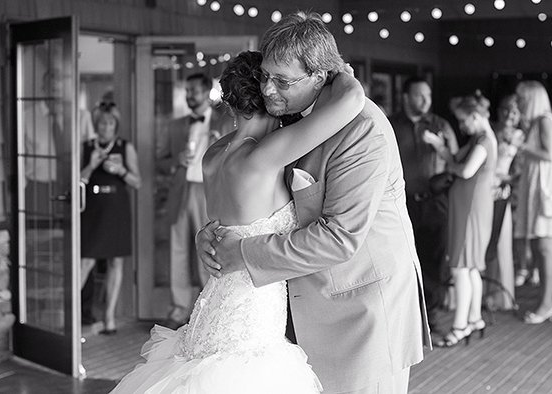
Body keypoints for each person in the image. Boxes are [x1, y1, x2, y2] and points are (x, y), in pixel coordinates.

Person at [112, 46, 367, 393]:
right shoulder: (263, 156)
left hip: (213, 309)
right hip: (251, 321)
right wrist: (336, 72)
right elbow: (351, 103)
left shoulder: (212, 155)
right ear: (268, 96)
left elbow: (218, 227)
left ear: (229, 102)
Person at [204, 11, 427, 393]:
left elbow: (340, 238)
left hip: (360, 312)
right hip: (293, 313)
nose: (269, 91)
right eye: (264, 77)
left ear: (320, 76)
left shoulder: (363, 130)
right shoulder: (287, 116)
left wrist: (241, 252)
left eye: (282, 81)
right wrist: (209, 236)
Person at [161, 73, 232, 328]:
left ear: (206, 93)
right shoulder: (176, 125)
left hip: (209, 194)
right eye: (187, 91)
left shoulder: (226, 123)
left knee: (209, 251)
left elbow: (238, 157)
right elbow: (162, 160)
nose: (190, 96)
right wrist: (174, 162)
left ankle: (208, 311)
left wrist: (221, 147)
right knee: (177, 251)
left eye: (194, 91)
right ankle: (178, 309)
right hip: (181, 192)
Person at [389, 76, 458, 320]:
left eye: (428, 95)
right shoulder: (390, 125)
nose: (426, 100)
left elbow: (456, 162)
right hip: (401, 204)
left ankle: (432, 318)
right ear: (406, 97)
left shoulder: (441, 125)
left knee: (434, 260)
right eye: (420, 95)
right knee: (401, 261)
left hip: (434, 202)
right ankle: (405, 319)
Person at [431, 92, 497, 347]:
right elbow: (457, 161)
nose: (462, 126)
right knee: (468, 268)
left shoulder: (483, 143)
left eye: (464, 121)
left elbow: (466, 170)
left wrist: (450, 167)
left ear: (475, 116)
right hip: (468, 208)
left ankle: (459, 327)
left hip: (470, 210)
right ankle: (474, 318)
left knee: (460, 267)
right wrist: (442, 150)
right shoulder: (481, 139)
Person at [79, 102, 141, 334]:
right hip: (92, 209)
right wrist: (91, 165)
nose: (105, 127)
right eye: (102, 123)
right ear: (96, 124)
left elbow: (138, 182)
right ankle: (71, 316)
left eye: (110, 123)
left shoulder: (126, 147)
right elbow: (75, 181)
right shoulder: (85, 148)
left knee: (116, 262)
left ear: (116, 125)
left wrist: (121, 171)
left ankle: (109, 318)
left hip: (116, 209)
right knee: (86, 261)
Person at [512, 81, 552, 325]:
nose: (518, 103)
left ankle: (547, 303)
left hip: (546, 192)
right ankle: (544, 301)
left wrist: (522, 146)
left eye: (521, 99)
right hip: (537, 190)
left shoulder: (546, 120)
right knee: (538, 248)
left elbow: (550, 154)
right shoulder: (536, 122)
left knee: (546, 248)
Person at [485, 94, 522, 310]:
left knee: (500, 243)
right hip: (483, 190)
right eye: (507, 109)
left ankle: (499, 294)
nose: (509, 115)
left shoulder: (521, 137)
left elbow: (519, 170)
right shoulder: (490, 131)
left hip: (502, 190)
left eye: (514, 111)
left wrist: (504, 180)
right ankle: (481, 292)